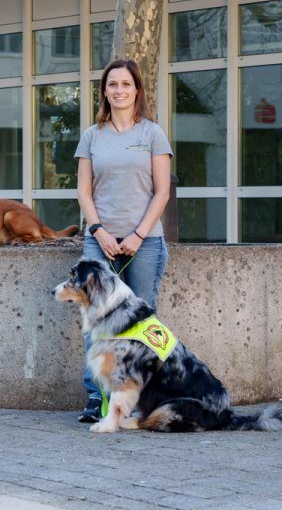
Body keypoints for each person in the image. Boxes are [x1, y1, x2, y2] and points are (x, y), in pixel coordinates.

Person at [74, 59, 172, 422]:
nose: (119, 91)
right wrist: (98, 230)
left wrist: (137, 235)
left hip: (144, 243)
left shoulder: (152, 134)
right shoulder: (91, 136)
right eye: (112, 84)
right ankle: (94, 397)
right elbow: (84, 190)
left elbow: (162, 192)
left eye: (126, 85)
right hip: (99, 240)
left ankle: (142, 398)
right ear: (104, 91)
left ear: (136, 90)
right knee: (95, 321)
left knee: (141, 322)